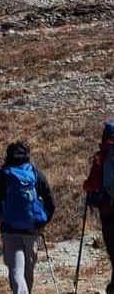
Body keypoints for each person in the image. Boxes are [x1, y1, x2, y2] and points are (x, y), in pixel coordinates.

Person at [0, 141, 55, 294]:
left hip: (10, 229)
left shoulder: (2, 174)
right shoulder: (35, 173)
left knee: (16, 271)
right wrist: (43, 220)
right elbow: (50, 200)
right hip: (32, 229)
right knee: (28, 271)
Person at [84, 121, 114, 294]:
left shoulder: (101, 157)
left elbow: (91, 184)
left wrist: (86, 186)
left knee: (112, 249)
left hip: (108, 212)